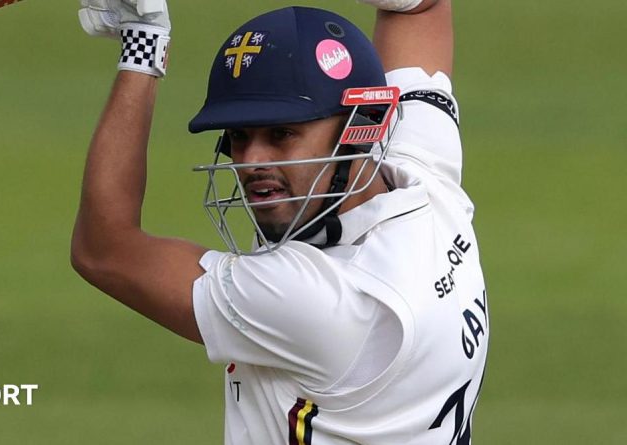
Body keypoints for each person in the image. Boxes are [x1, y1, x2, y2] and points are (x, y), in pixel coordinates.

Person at [72, 0, 489, 443]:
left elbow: (104, 251)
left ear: (359, 126)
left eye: (282, 135)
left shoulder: (323, 300)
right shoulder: (426, 180)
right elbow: (418, 8)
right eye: (238, 136)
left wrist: (143, 43)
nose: (251, 163)